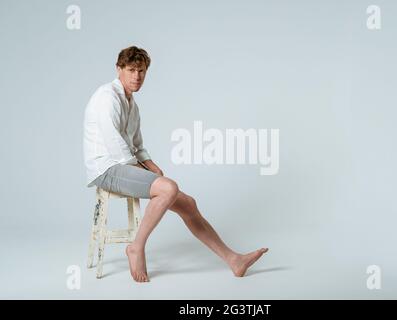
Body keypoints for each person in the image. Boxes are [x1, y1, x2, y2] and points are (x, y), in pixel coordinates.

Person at [83, 45, 268, 282]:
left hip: (124, 165)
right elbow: (114, 145)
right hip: (106, 169)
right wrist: (143, 170)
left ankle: (234, 260)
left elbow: (137, 145)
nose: (137, 76)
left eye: (141, 71)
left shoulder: (132, 105)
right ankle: (135, 247)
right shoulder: (107, 97)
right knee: (168, 188)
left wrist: (152, 166)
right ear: (119, 69)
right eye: (131, 70)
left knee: (188, 203)